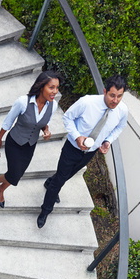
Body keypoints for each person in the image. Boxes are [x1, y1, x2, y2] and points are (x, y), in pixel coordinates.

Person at [37, 74, 128, 228]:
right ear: (105, 91)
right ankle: (45, 210)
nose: (116, 100)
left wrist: (108, 141)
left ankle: (50, 182)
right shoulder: (87, 102)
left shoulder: (122, 110)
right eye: (112, 95)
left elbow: (120, 127)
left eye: (119, 96)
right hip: (72, 148)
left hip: (90, 152)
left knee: (67, 175)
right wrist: (77, 137)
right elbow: (67, 118)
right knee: (60, 181)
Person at [0, 71, 60, 207]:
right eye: (51, 87)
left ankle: (1, 187)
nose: (55, 91)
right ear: (41, 87)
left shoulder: (53, 105)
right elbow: (8, 121)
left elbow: (43, 123)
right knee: (14, 173)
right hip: (15, 142)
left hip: (30, 145)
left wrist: (46, 131)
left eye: (57, 88)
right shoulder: (23, 102)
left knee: (18, 174)